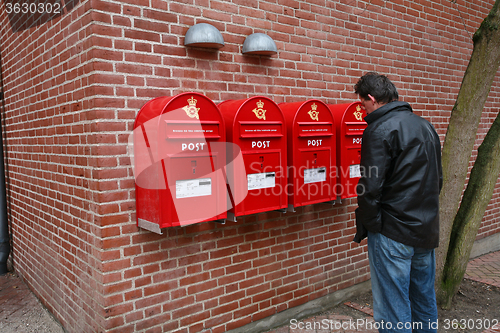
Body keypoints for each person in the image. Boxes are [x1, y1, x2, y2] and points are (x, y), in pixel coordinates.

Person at [353, 72, 443, 333]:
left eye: (363, 104)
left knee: (393, 308)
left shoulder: (378, 129)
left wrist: (374, 225)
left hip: (392, 232)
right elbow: (437, 180)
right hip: (425, 230)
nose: (363, 110)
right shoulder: (425, 126)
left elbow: (370, 187)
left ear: (371, 98)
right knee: (423, 300)